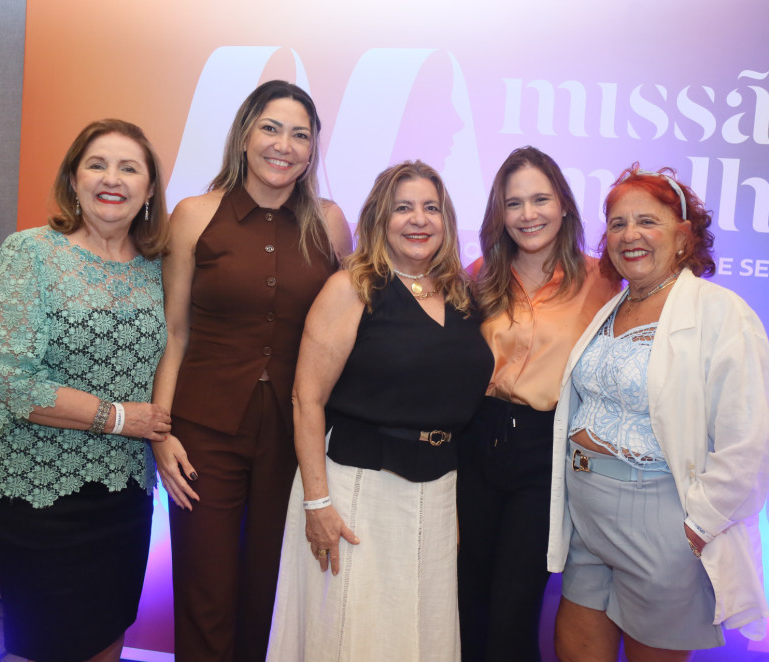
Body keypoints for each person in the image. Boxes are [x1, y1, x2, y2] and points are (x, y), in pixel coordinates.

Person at [152, 80, 353, 662]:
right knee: (204, 588)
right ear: (244, 135)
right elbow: (175, 332)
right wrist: (161, 434)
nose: (283, 145)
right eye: (271, 128)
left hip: (296, 437)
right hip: (202, 433)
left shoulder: (330, 223)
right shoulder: (194, 215)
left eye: (300, 135)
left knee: (273, 589)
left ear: (313, 150)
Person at [265, 160, 494, 662]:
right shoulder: (351, 288)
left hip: (437, 491)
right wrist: (317, 504)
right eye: (403, 208)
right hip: (355, 490)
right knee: (352, 630)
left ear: (447, 220)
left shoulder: (461, 295)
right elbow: (308, 399)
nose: (418, 219)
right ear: (379, 219)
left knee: (419, 630)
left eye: (430, 208)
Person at [550, 165, 769, 661]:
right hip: (587, 519)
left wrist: (697, 525)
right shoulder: (613, 305)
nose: (629, 235)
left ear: (682, 236)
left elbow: (748, 441)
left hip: (661, 523)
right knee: (573, 648)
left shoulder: (722, 314)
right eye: (617, 223)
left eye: (647, 221)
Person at [0, 119, 172, 662]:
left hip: (123, 493)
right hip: (37, 490)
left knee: (108, 632)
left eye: (130, 168)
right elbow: (6, 380)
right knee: (51, 644)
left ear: (150, 190)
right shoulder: (31, 253)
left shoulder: (159, 272)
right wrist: (121, 419)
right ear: (73, 179)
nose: (113, 179)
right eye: (97, 164)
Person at [457, 146, 620, 661]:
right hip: (473, 443)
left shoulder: (604, 280)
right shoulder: (478, 275)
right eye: (514, 203)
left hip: (544, 453)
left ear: (565, 205)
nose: (529, 215)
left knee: (515, 605)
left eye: (540, 199)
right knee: (465, 597)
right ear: (499, 215)